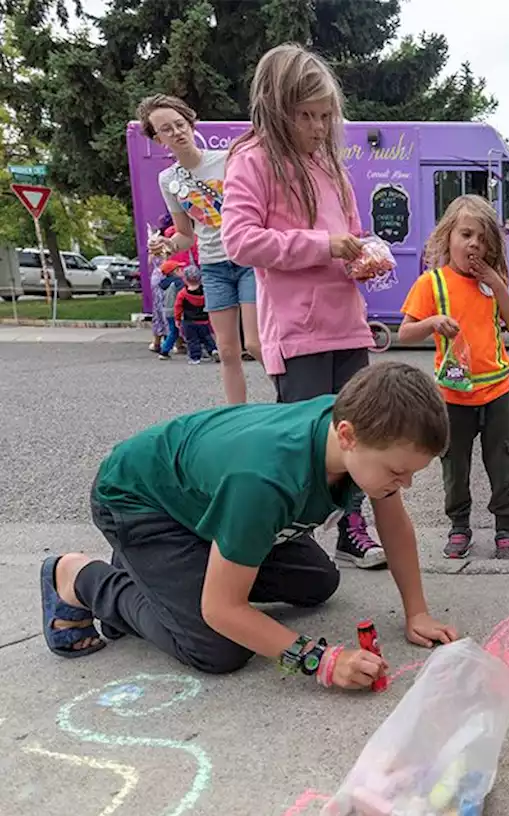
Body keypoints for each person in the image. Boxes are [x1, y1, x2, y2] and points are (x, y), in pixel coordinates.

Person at [37, 363, 459, 688]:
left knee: (317, 582)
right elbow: (221, 610)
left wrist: (416, 611)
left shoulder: (362, 429)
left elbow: (394, 523)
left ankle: (163, 576)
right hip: (140, 502)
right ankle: (82, 579)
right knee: (218, 647)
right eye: (397, 472)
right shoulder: (264, 482)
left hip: (205, 497)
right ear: (347, 435)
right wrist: (323, 662)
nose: (403, 484)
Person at [221, 43, 386, 571]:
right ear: (275, 108)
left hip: (348, 325)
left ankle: (351, 526)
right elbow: (240, 241)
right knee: (306, 443)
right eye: (307, 117)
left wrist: (367, 255)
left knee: (359, 432)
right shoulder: (253, 161)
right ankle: (291, 535)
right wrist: (321, 245)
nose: (318, 128)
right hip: (298, 332)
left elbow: (352, 235)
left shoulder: (330, 166)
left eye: (325, 117)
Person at [399, 194, 509, 560]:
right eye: (467, 234)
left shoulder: (492, 283)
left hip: (496, 389)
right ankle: (459, 525)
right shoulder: (432, 283)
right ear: (448, 237)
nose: (474, 244)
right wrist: (432, 323)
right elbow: (406, 332)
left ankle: (505, 527)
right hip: (453, 394)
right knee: (455, 462)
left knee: (502, 459)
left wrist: (498, 285)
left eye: (483, 238)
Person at [138, 94, 260, 404]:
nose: (176, 132)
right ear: (157, 138)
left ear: (191, 125)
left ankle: (293, 406)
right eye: (166, 129)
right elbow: (185, 236)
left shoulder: (227, 159)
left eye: (180, 124)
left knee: (257, 343)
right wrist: (165, 244)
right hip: (213, 267)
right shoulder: (168, 179)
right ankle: (237, 418)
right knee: (228, 350)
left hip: (247, 258)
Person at [174, 265, 220, 365]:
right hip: (204, 319)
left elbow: (178, 307)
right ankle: (213, 349)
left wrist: (177, 319)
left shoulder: (182, 294)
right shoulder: (205, 292)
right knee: (207, 337)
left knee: (192, 340)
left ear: (185, 279)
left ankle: (195, 357)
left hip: (189, 321)